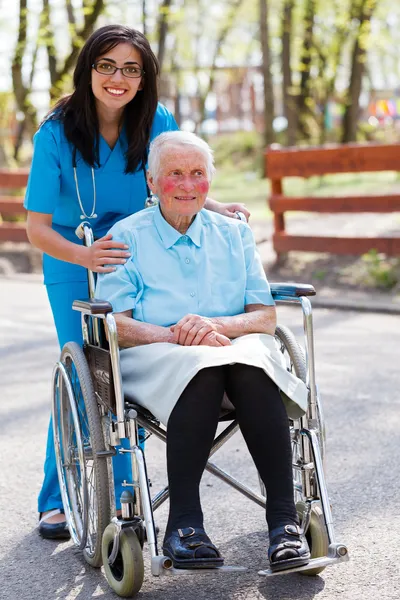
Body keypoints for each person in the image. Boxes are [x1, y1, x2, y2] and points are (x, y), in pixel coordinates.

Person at [24, 24, 249, 540]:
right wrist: (85, 254)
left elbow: (171, 179)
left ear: (145, 78)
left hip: (142, 256)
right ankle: (56, 498)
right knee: (86, 370)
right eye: (106, 66)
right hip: (75, 259)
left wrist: (219, 207)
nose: (118, 78)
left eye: (131, 68)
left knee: (132, 372)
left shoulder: (157, 121)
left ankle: (126, 488)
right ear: (89, 72)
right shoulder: (55, 132)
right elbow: (35, 228)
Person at [95, 130, 310, 572]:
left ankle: (285, 525)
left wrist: (215, 325)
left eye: (197, 173)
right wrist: (177, 334)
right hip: (158, 355)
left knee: (252, 363)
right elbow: (116, 322)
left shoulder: (234, 235)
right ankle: (184, 525)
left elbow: (264, 318)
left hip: (235, 352)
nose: (188, 184)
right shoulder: (125, 237)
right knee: (204, 368)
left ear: (210, 182)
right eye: (175, 174)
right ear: (152, 182)